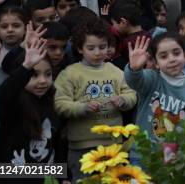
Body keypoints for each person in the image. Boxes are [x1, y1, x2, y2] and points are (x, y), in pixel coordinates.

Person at [54, 19, 137, 180]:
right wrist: (82, 107)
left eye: (102, 47)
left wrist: (123, 100)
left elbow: (131, 93)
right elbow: (60, 104)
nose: (98, 52)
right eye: (91, 48)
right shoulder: (70, 73)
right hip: (82, 145)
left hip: (113, 145)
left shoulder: (115, 71)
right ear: (79, 48)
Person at [0, 37, 65, 166]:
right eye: (34, 75)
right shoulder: (13, 104)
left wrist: (64, 177)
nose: (43, 80)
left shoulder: (52, 103)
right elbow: (3, 95)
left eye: (48, 74)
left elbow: (58, 144)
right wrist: (27, 66)